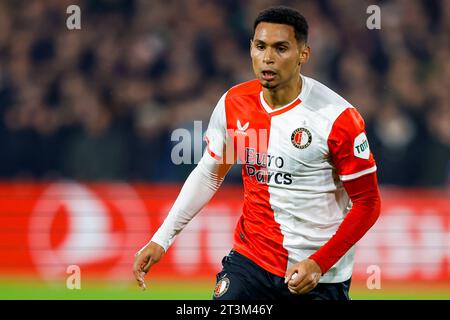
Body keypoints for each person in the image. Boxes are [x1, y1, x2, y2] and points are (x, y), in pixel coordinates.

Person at [133, 6, 381, 300]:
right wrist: (162, 238)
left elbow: (368, 203)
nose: (268, 58)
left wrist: (319, 263)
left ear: (304, 55)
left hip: (317, 274)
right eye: (260, 46)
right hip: (251, 261)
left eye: (281, 48)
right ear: (251, 48)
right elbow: (209, 173)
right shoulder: (234, 103)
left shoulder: (337, 118)